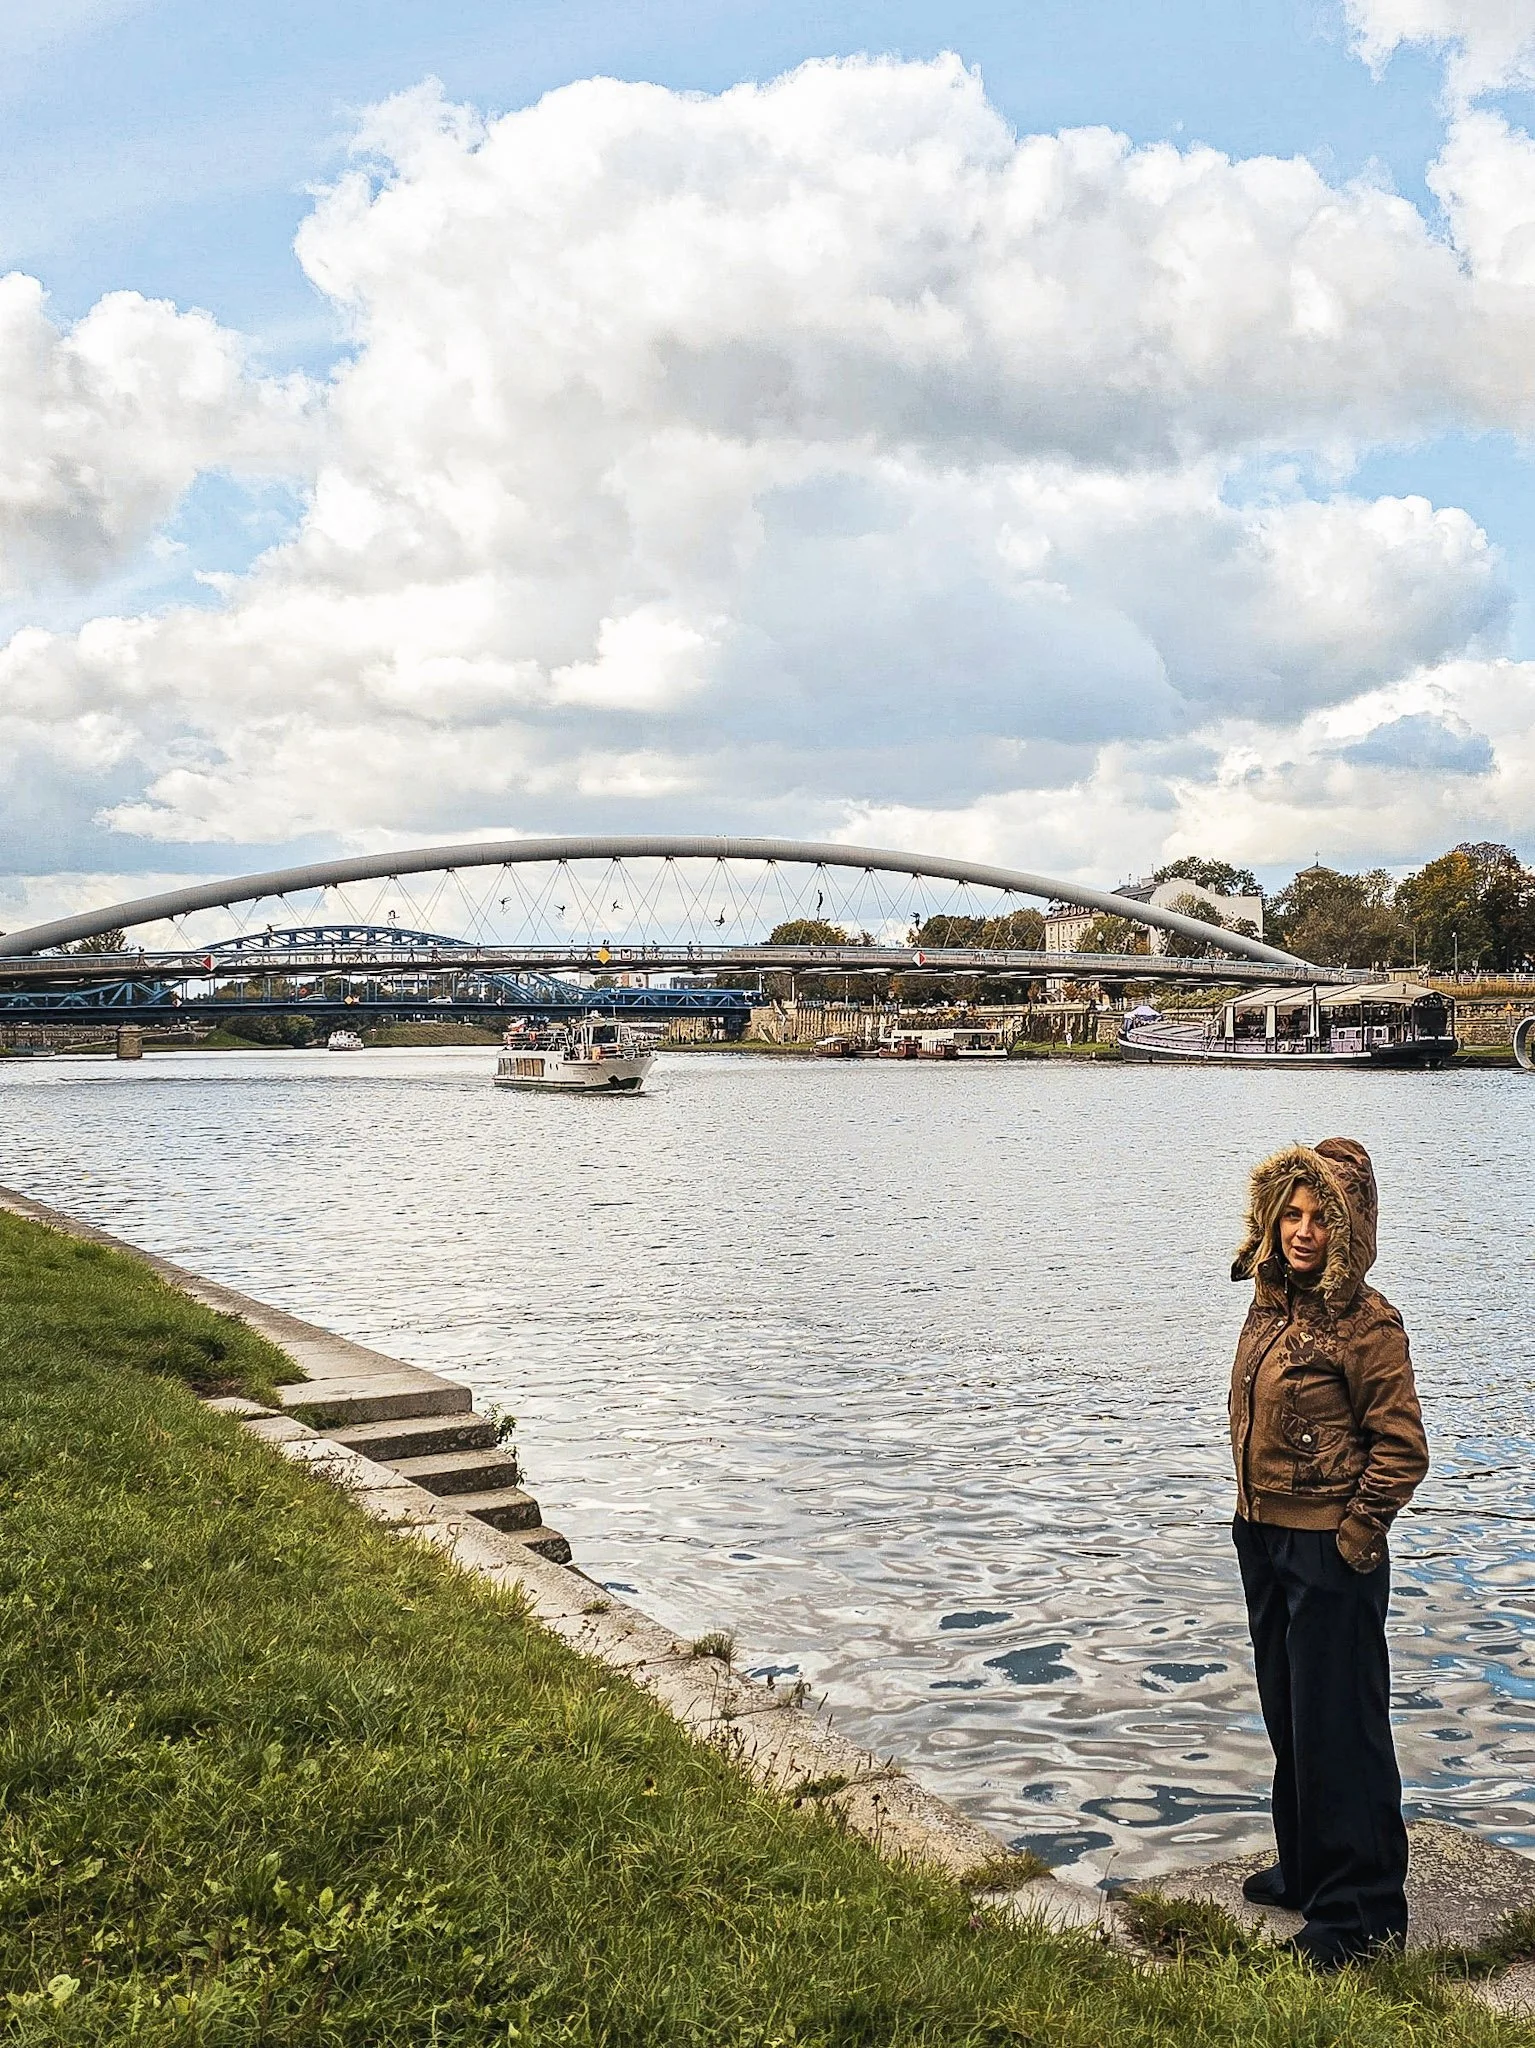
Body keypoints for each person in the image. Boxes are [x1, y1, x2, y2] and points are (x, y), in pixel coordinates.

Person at [1227, 1137, 1429, 1969]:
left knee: (1340, 1726)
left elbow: (1402, 1448)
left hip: (1328, 1551)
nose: (1303, 1232)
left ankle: (1360, 1913)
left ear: (1347, 1231)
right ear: (1272, 1220)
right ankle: (1309, 1868)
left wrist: (1353, 1536)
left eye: (1322, 1219)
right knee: (1290, 1714)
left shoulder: (1366, 1322)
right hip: (1262, 1532)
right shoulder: (1269, 1303)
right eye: (1293, 1214)